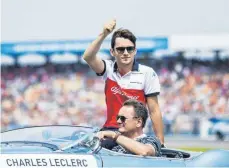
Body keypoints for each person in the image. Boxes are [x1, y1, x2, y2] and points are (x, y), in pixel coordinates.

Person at [83, 19, 164, 146]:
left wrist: (161, 142)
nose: (126, 53)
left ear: (135, 50)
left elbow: (154, 110)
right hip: (110, 131)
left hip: (134, 134)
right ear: (112, 52)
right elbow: (88, 56)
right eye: (120, 49)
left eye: (129, 49)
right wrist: (104, 34)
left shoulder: (147, 73)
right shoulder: (108, 69)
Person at [96, 99, 161, 156]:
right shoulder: (115, 145)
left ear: (138, 122)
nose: (118, 121)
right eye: (118, 117)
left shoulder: (151, 140)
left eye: (122, 118)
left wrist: (114, 136)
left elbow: (145, 152)